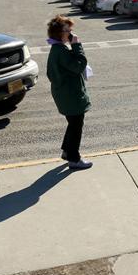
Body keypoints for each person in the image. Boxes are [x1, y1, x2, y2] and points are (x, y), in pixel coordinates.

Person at [46, 15, 93, 170]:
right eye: (68, 30)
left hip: (65, 94)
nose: (71, 33)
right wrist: (77, 45)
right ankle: (74, 158)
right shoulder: (61, 51)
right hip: (70, 95)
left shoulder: (58, 49)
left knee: (73, 124)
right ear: (60, 33)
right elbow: (78, 65)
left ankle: (67, 152)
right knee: (76, 126)